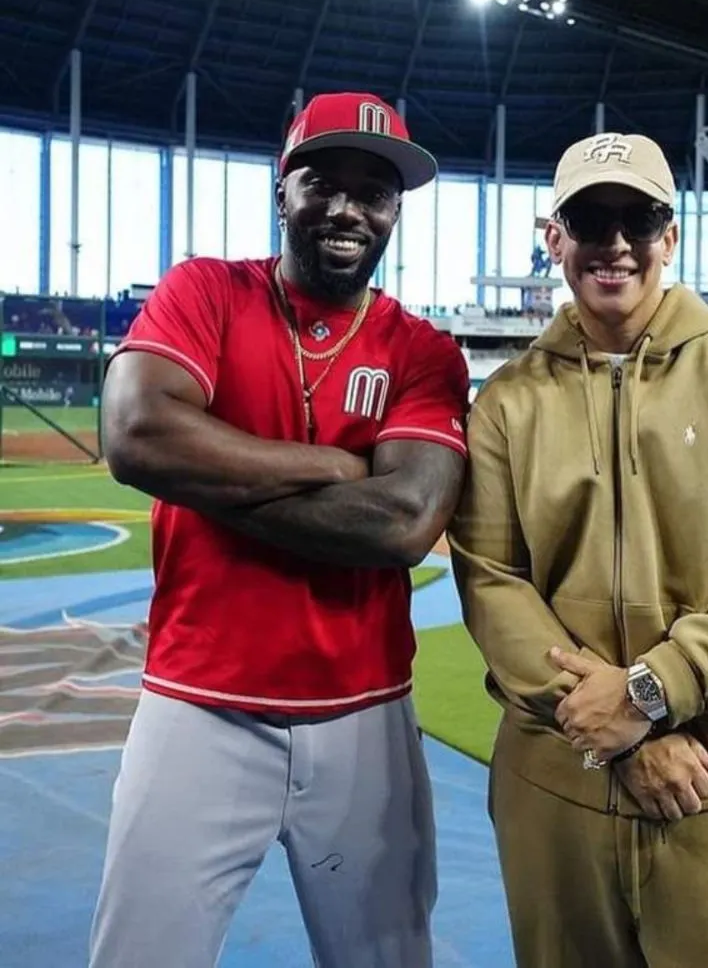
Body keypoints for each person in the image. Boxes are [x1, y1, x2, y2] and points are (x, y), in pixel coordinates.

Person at [449, 130, 708, 968]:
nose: (617, 243)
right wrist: (628, 730)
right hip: (555, 786)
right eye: (592, 220)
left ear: (672, 235)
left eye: (640, 218)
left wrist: (654, 691)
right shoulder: (507, 403)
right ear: (552, 235)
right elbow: (492, 581)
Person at [89, 92, 470, 968]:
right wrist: (336, 467)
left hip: (364, 715)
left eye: (372, 191)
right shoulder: (206, 290)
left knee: (388, 959)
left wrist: (208, 479)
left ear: (395, 211)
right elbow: (138, 435)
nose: (346, 208)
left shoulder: (423, 351)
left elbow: (405, 521)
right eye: (322, 182)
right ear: (281, 187)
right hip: (196, 707)